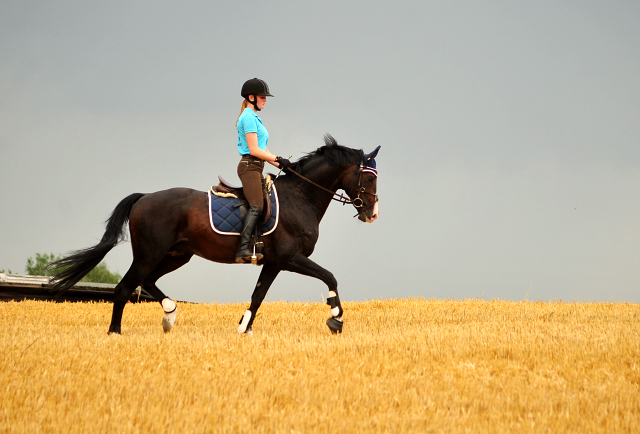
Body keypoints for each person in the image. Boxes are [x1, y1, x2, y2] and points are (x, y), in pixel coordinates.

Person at [235, 78, 291, 263]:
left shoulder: (254, 117)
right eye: (262, 97)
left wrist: (282, 164)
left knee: (268, 203)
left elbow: (263, 149)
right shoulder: (249, 117)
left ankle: (259, 243)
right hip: (249, 167)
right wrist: (276, 159)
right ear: (251, 97)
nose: (265, 100)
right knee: (257, 206)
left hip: (257, 166)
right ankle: (243, 248)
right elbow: (254, 150)